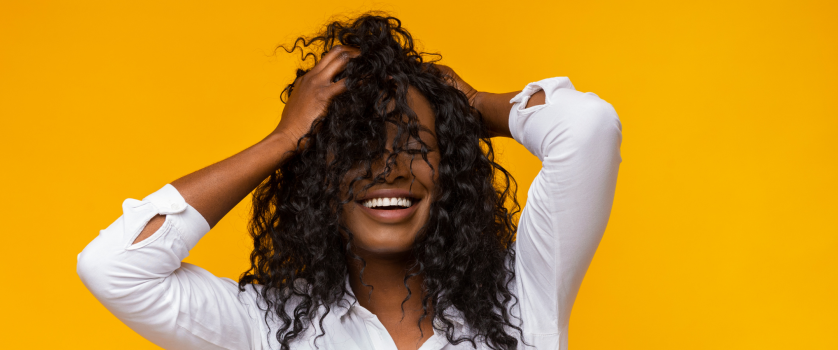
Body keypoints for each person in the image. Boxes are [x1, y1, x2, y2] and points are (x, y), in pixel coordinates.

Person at [76, 13, 622, 350]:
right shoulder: (265, 329)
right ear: (317, 177)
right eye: (357, 149)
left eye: (415, 146)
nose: (390, 169)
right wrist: (282, 142)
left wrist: (473, 107)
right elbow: (114, 268)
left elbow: (588, 128)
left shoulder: (523, 298)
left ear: (449, 169)